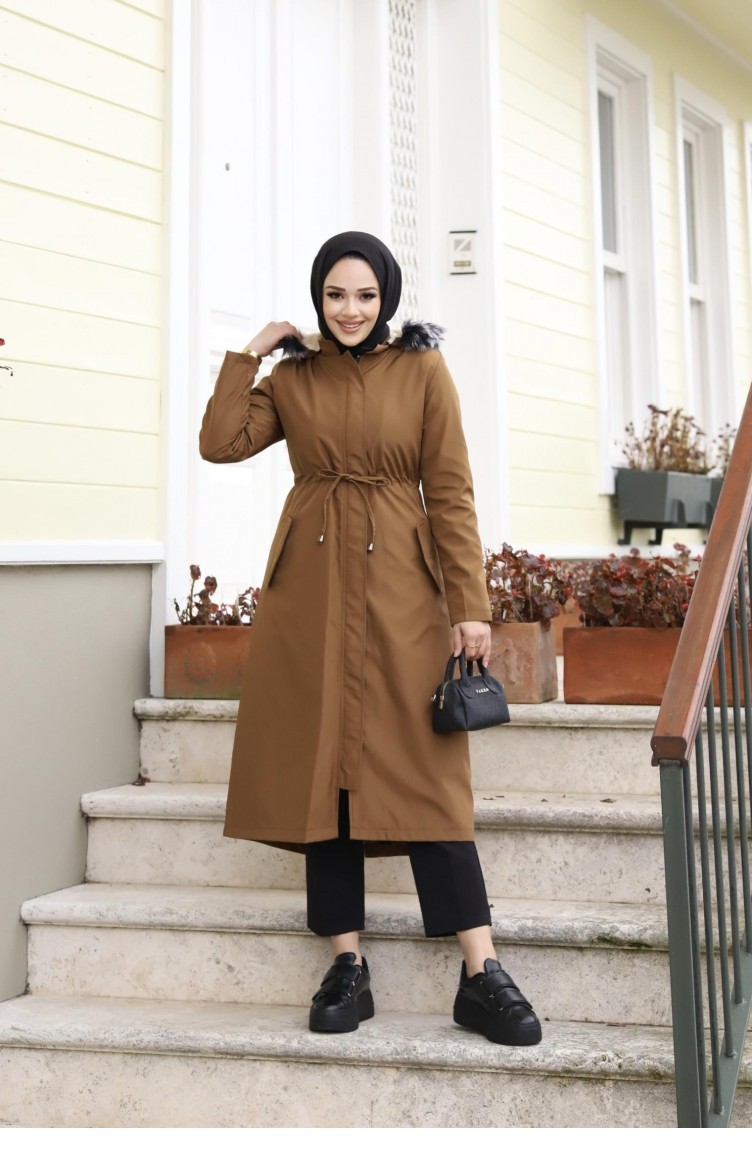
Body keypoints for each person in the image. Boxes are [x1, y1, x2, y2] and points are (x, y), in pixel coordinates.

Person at [199, 231, 541, 1046]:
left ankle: (481, 970)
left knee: (427, 774)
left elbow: (450, 489)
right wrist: (251, 352)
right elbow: (220, 443)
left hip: (401, 592)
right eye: (334, 295)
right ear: (316, 299)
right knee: (326, 778)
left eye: (364, 295)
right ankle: (347, 965)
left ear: (386, 296)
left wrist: (470, 605)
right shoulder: (293, 377)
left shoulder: (422, 369)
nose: (349, 310)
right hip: (310, 594)